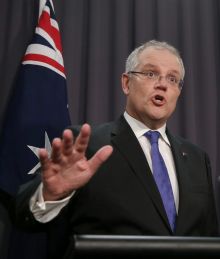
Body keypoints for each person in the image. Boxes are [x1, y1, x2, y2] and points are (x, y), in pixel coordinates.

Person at [15, 40, 219, 258]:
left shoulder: (197, 158)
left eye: (172, 78)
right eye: (151, 74)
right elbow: (22, 216)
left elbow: (209, 239)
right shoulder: (84, 145)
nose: (163, 84)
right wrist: (51, 194)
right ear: (126, 83)